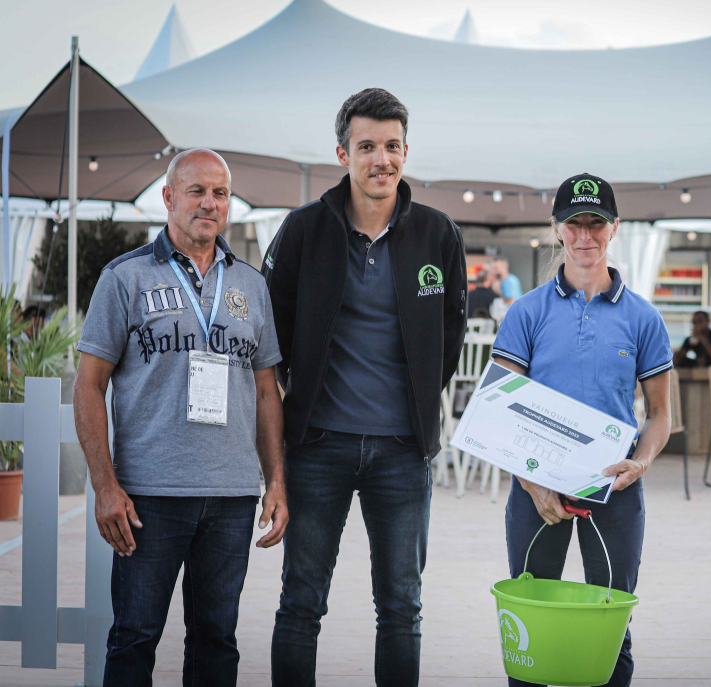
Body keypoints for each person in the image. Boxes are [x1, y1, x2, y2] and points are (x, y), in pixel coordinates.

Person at [262, 88, 467, 687]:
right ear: (343, 153)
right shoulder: (304, 230)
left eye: (393, 146)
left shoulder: (437, 234)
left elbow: (450, 332)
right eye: (368, 146)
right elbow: (272, 332)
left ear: (406, 151)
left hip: (403, 451)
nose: (383, 159)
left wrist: (418, 401)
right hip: (317, 446)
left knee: (401, 608)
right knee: (301, 602)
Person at [73, 149, 288, 687]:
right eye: (197, 191)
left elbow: (267, 391)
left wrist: (276, 482)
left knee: (216, 640)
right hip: (149, 496)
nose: (209, 203)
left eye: (220, 193)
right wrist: (104, 486)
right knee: (134, 637)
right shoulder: (125, 277)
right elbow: (88, 384)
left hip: (232, 496)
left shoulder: (252, 285)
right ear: (169, 198)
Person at [491, 173, 673, 687]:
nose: (585, 235)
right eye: (575, 224)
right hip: (535, 487)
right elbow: (499, 409)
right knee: (529, 621)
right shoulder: (526, 311)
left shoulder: (644, 318)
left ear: (615, 227)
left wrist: (641, 462)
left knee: (611, 628)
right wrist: (532, 484)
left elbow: (661, 414)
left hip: (614, 489)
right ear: (556, 228)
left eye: (596, 223)